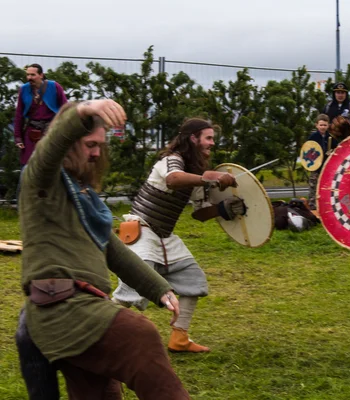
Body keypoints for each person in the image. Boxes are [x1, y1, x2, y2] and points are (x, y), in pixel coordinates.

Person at [17, 99, 190, 399]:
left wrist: (160, 289)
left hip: (84, 309)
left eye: (100, 144)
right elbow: (48, 151)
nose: (97, 152)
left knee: (102, 393)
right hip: (65, 311)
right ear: (69, 142)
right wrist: (82, 111)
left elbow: (113, 250)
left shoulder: (83, 198)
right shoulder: (40, 183)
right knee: (139, 335)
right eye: (89, 143)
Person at [111, 118, 244, 354]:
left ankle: (179, 338)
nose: (212, 143)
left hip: (165, 237)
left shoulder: (195, 173)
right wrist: (209, 177)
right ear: (193, 138)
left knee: (194, 281)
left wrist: (225, 208)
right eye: (208, 138)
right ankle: (96, 333)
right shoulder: (171, 161)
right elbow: (173, 180)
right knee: (131, 291)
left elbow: (200, 214)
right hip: (142, 231)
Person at [13, 64, 68, 166]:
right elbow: (19, 115)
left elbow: (66, 109)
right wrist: (18, 137)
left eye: (33, 75)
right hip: (32, 131)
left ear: (41, 75)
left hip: (51, 130)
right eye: (28, 75)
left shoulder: (54, 87)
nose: (29, 78)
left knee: (53, 163)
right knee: (28, 164)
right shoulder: (24, 89)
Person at [305, 114, 338, 210]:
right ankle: (312, 206)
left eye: (325, 125)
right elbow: (308, 149)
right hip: (315, 166)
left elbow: (336, 149)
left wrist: (331, 152)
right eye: (321, 125)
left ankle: (327, 205)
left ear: (328, 125)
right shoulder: (313, 137)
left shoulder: (331, 137)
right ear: (316, 125)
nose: (323, 127)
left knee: (327, 186)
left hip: (327, 166)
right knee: (313, 186)